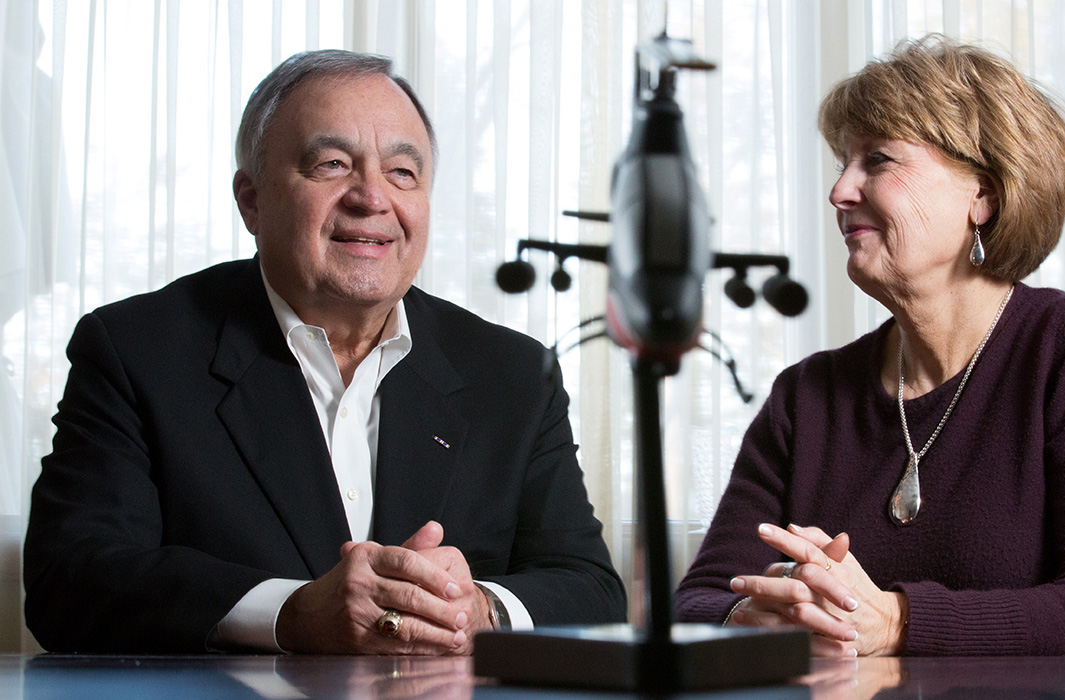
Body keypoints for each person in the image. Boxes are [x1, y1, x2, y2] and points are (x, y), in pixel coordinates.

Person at [23, 49, 625, 654]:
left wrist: (482, 610)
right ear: (252, 201)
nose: (371, 197)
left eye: (403, 173)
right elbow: (70, 581)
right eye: (332, 165)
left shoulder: (512, 373)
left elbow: (590, 587)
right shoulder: (137, 351)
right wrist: (291, 612)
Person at [675, 36, 1065, 657]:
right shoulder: (806, 394)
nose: (840, 192)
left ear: (982, 195)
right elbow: (699, 600)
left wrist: (898, 621)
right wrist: (752, 614)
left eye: (877, 160)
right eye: (842, 164)